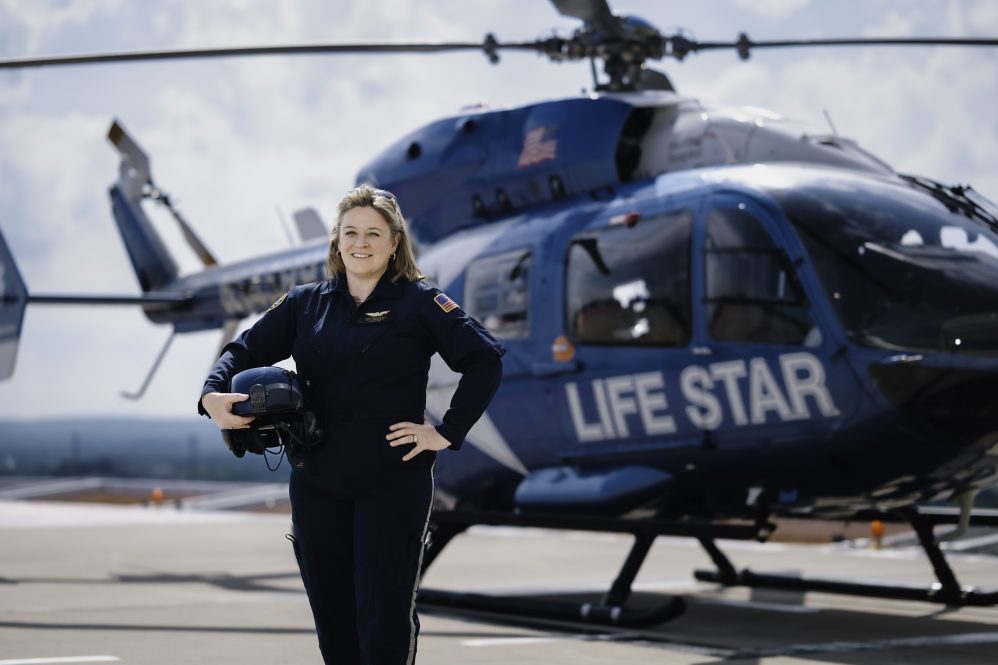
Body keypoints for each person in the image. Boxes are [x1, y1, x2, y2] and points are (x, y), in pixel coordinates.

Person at [198, 185, 505, 665]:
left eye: (373, 234)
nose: (361, 243)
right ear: (337, 242)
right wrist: (211, 394)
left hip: (392, 480)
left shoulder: (420, 303)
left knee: (383, 620)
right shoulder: (305, 304)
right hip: (318, 479)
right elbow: (242, 349)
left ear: (394, 243)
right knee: (334, 622)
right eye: (351, 233)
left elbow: (484, 360)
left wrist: (444, 433)